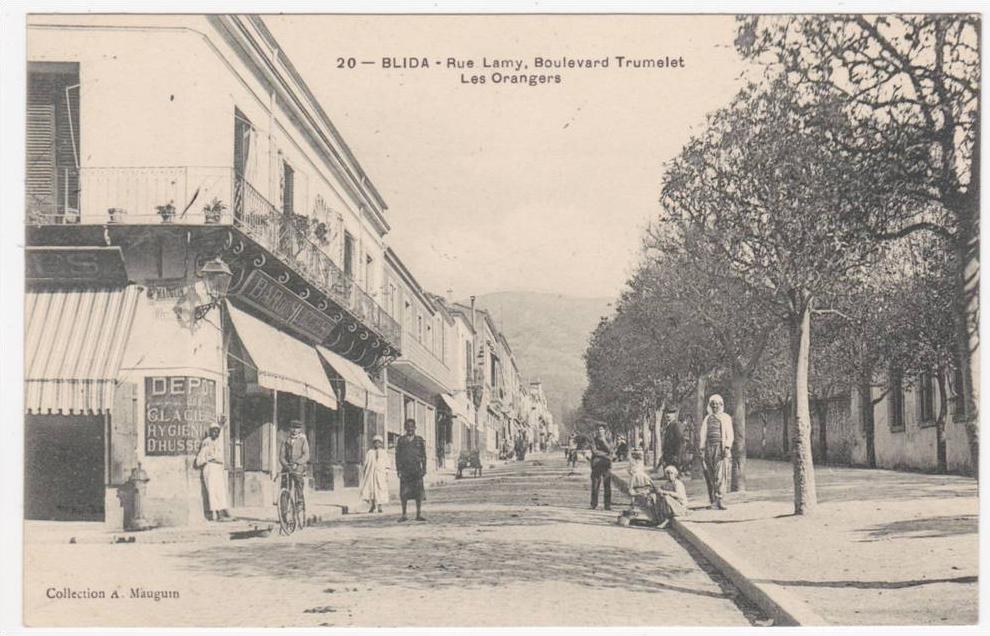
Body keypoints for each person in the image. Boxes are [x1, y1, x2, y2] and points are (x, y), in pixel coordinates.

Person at [698, 394, 734, 510]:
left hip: (720, 449)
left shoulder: (726, 418)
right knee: (711, 474)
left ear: (721, 405)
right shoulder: (707, 419)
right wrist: (702, 448)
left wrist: (727, 447)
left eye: (717, 404)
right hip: (709, 449)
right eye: (713, 405)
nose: (715, 407)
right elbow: (703, 435)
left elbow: (730, 435)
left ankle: (720, 500)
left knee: (720, 475)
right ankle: (713, 500)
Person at [194, 422, 231, 521]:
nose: (216, 434)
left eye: (217, 432)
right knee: (212, 490)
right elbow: (201, 458)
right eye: (214, 431)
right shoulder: (207, 442)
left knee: (220, 491)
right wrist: (210, 460)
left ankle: (223, 511)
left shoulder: (218, 442)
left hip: (217, 469)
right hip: (210, 468)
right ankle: (216, 514)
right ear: (211, 432)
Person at [395, 418, 427, 522]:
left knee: (418, 493)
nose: (410, 429)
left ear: (415, 428)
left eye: (412, 427)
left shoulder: (419, 440)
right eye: (408, 427)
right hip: (405, 470)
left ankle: (418, 514)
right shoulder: (401, 440)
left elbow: (423, 456)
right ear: (405, 428)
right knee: (404, 493)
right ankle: (404, 514)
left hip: (416, 470)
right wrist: (398, 469)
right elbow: (397, 456)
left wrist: (424, 468)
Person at [280, 420, 310, 516]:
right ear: (290, 429)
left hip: (298, 467)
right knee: (284, 487)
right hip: (287, 467)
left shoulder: (303, 440)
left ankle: (300, 501)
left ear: (300, 429)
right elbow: (281, 456)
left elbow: (306, 455)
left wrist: (297, 463)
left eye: (297, 428)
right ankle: (284, 511)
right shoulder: (286, 440)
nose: (294, 430)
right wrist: (286, 465)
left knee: (298, 481)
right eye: (292, 428)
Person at [359, 435, 390, 513]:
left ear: (381, 444)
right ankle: (372, 505)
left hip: (380, 474)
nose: (377, 444)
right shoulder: (370, 452)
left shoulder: (384, 452)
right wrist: (365, 472)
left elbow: (387, 464)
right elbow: (366, 463)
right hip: (371, 473)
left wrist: (386, 473)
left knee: (380, 489)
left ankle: (380, 506)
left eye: (379, 442)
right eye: (375, 442)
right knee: (372, 489)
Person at [590, 424, 613, 510]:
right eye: (599, 429)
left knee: (607, 485)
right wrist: (606, 455)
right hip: (596, 465)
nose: (600, 431)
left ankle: (607, 505)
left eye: (602, 429)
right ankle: (594, 504)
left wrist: (604, 441)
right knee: (595, 485)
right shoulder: (594, 440)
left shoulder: (609, 440)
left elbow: (611, 450)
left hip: (606, 465)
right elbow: (594, 451)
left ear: (605, 431)